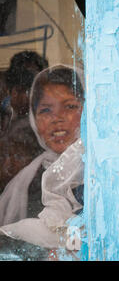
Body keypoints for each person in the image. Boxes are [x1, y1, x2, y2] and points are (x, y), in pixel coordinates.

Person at [0, 64, 84, 251]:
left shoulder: (101, 172)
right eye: (46, 110)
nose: (57, 118)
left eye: (70, 106)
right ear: (34, 119)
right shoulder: (32, 178)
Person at [0, 51, 48, 192]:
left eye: (30, 88)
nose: (25, 96)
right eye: (19, 89)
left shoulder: (41, 120)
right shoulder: (6, 113)